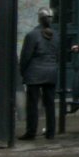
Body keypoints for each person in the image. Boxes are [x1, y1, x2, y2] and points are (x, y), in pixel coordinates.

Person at [18, 7, 59, 140]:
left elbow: (26, 56)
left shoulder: (32, 35)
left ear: (39, 18)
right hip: (51, 72)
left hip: (34, 73)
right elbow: (58, 54)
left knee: (32, 104)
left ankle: (31, 132)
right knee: (50, 104)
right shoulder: (56, 35)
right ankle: (51, 132)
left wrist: (22, 71)